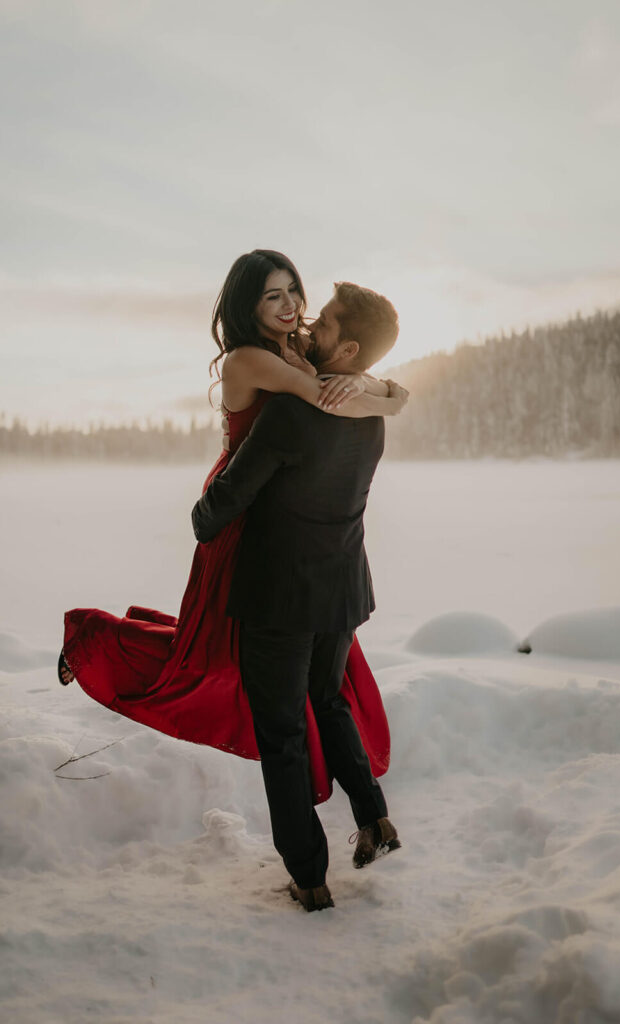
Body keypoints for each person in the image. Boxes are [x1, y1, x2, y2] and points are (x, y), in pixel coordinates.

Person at [60, 249, 407, 811]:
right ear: (249, 305)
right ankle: (94, 639)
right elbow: (325, 397)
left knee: (240, 658)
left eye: (295, 290)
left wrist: (382, 391)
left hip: (281, 507)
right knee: (202, 655)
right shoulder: (248, 359)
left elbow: (339, 382)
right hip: (241, 503)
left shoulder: (295, 348)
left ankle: (341, 807)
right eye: (273, 296)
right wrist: (390, 395)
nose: (293, 306)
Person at [192, 277, 403, 912]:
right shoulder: (368, 416)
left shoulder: (289, 413)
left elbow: (219, 511)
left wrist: (206, 502)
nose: (310, 325)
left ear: (349, 349)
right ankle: (375, 819)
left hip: (279, 599)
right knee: (328, 702)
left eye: (328, 324)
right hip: (341, 591)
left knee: (282, 735)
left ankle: (309, 878)